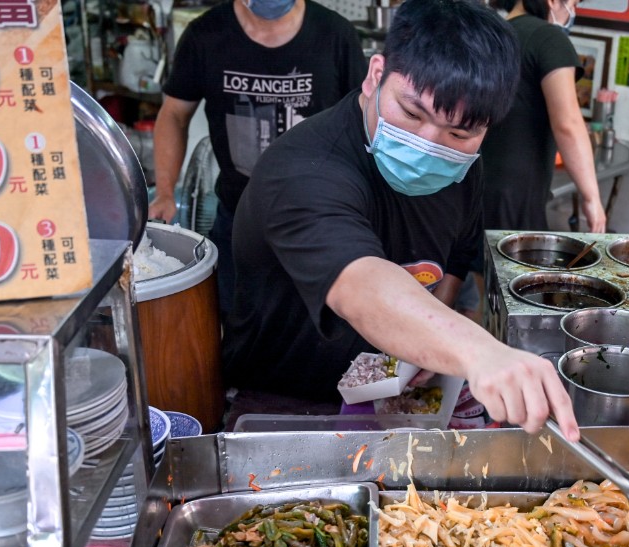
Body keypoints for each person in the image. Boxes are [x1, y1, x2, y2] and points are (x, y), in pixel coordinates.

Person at [222, 0, 581, 440]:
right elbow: (359, 283)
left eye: (458, 132)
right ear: (376, 76)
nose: (428, 143)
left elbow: (453, 261)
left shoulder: (463, 168)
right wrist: (478, 350)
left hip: (396, 402)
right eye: (411, 113)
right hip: (287, 407)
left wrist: (425, 352)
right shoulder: (302, 169)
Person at [150, 0, 366, 319]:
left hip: (320, 221)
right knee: (240, 329)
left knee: (319, 334)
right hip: (237, 222)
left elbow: (364, 120)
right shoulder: (206, 35)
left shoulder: (334, 34)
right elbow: (174, 116)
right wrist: (166, 192)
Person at [480, 0, 607, 233]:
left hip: (473, 184)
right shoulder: (549, 39)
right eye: (573, 4)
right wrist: (592, 198)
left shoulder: (490, 34)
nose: (573, 13)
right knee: (506, 266)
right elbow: (568, 123)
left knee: (476, 266)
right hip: (515, 195)